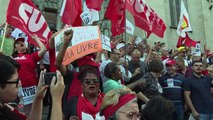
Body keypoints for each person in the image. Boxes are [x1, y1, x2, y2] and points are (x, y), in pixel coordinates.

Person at [0, 55, 48, 120]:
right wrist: (57, 99)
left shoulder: (5, 107)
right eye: (16, 81)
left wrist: (39, 97)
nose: (19, 84)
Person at [12, 35, 47, 116]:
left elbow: (44, 49)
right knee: (20, 113)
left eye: (22, 41)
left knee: (32, 112)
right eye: (18, 43)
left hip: (31, 89)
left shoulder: (31, 56)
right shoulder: (12, 58)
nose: (21, 43)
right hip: (18, 90)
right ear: (15, 48)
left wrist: (36, 39)